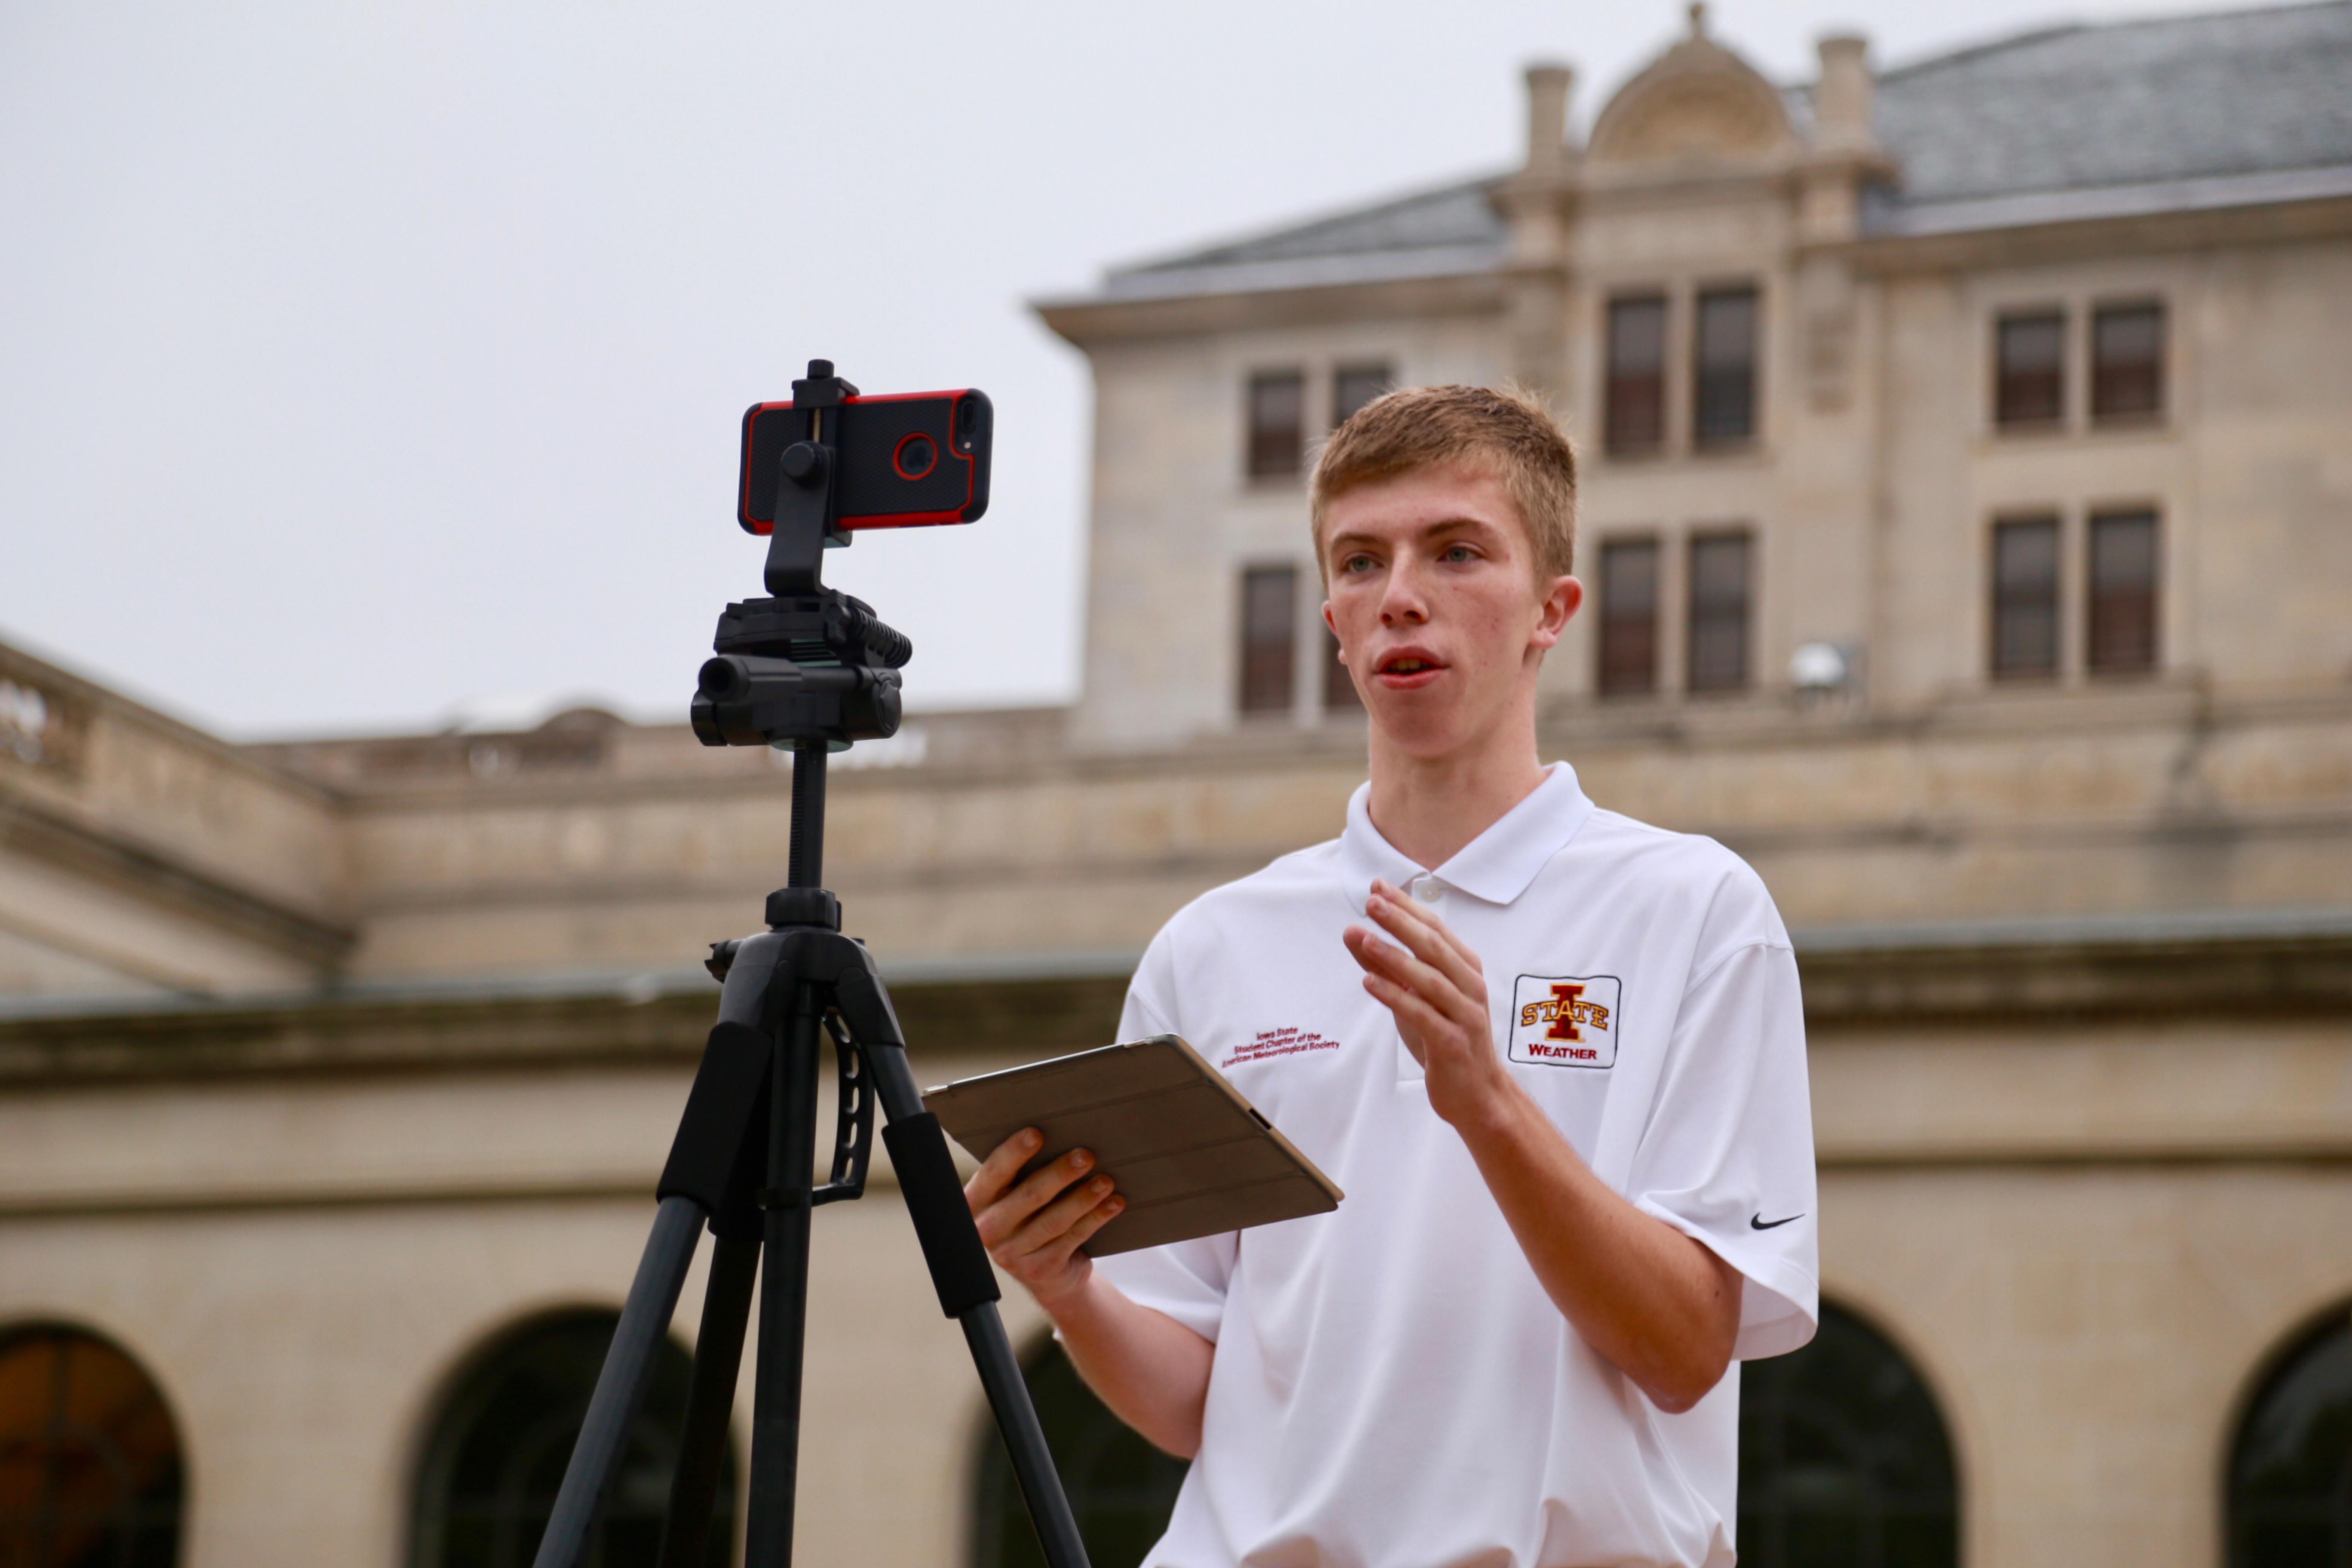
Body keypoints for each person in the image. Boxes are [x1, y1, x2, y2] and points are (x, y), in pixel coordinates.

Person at [963, 384, 1817, 1568]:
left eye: (1457, 551)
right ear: (1332, 618)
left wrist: (1489, 1102)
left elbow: (1683, 1352)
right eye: (1360, 562)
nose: (1401, 595)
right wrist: (1066, 1287)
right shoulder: (1211, 947)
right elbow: (1187, 1405)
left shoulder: (1696, 911)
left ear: (1551, 611)